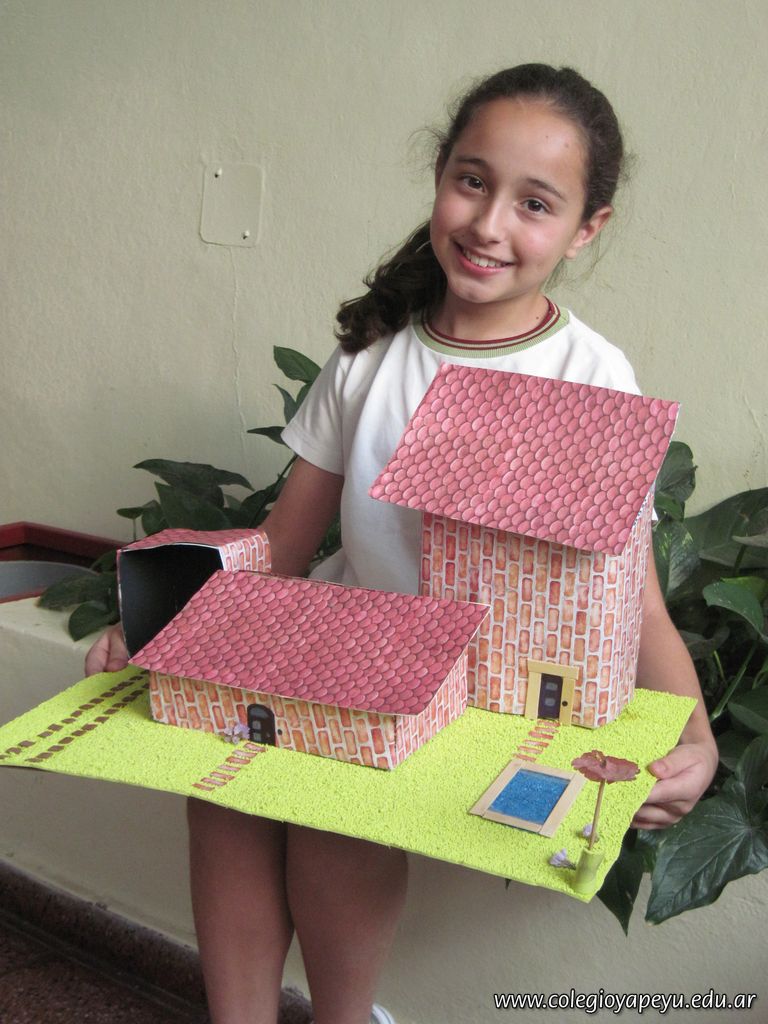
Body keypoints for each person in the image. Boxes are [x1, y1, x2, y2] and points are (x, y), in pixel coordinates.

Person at [86, 63, 718, 1024]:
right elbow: (284, 545)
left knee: (337, 815)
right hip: (336, 643)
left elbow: (626, 594)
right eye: (472, 181)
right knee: (220, 792)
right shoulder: (371, 351)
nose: (489, 223)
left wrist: (696, 735)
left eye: (535, 203)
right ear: (439, 175)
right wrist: (165, 625)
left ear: (587, 228)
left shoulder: (591, 375)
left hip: (471, 688)